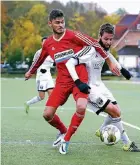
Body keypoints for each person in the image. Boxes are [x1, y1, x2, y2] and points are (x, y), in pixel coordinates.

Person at [25, 9, 120, 155]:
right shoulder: (48, 44)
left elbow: (95, 43)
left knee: (81, 107)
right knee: (47, 114)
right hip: (62, 81)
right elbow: (40, 59)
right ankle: (63, 131)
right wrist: (31, 71)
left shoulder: (74, 35)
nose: (61, 25)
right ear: (50, 23)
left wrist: (108, 60)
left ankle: (67, 139)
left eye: (62, 22)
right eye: (57, 23)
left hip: (80, 78)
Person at [66, 23, 140, 152]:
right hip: (90, 89)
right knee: (115, 112)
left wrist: (122, 70)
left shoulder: (105, 50)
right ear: (99, 37)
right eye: (106, 39)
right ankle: (127, 143)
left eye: (111, 39)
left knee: (117, 110)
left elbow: (109, 57)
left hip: (100, 86)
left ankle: (101, 130)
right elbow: (70, 62)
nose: (108, 42)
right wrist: (78, 82)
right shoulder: (90, 49)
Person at [24, 37, 55, 114]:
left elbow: (52, 64)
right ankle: (27, 103)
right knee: (41, 97)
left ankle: (48, 111)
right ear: (41, 43)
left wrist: (54, 65)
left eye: (46, 42)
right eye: (43, 42)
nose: (45, 44)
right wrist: (30, 73)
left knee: (52, 94)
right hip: (41, 77)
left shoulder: (52, 52)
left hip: (48, 76)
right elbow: (34, 64)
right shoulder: (38, 53)